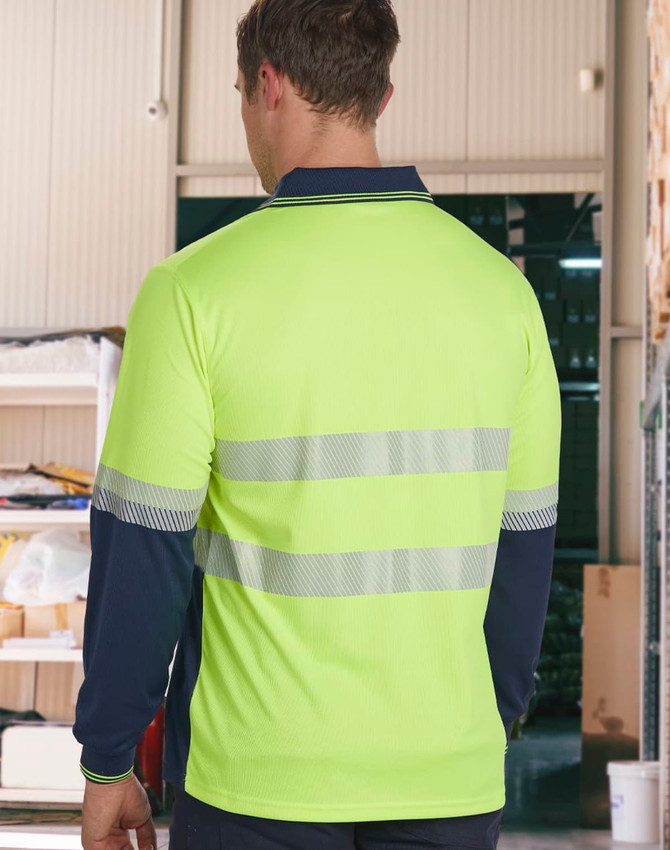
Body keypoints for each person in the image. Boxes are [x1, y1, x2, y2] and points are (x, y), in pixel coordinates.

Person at [74, 0, 561, 848]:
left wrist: (109, 760)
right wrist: (491, 720)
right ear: (383, 95)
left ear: (269, 85)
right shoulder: (503, 298)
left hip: (256, 789)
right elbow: (524, 548)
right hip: (447, 779)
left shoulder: (193, 295)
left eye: (237, 94)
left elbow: (142, 551)